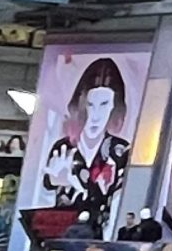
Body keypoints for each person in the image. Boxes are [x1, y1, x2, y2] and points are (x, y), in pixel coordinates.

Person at [41, 56, 133, 238]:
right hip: (62, 231)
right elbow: (48, 182)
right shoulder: (64, 147)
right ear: (82, 105)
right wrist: (54, 180)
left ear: (115, 107)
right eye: (91, 104)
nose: (96, 115)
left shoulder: (120, 150)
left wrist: (77, 184)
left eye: (104, 104)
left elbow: (114, 196)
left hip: (99, 233)